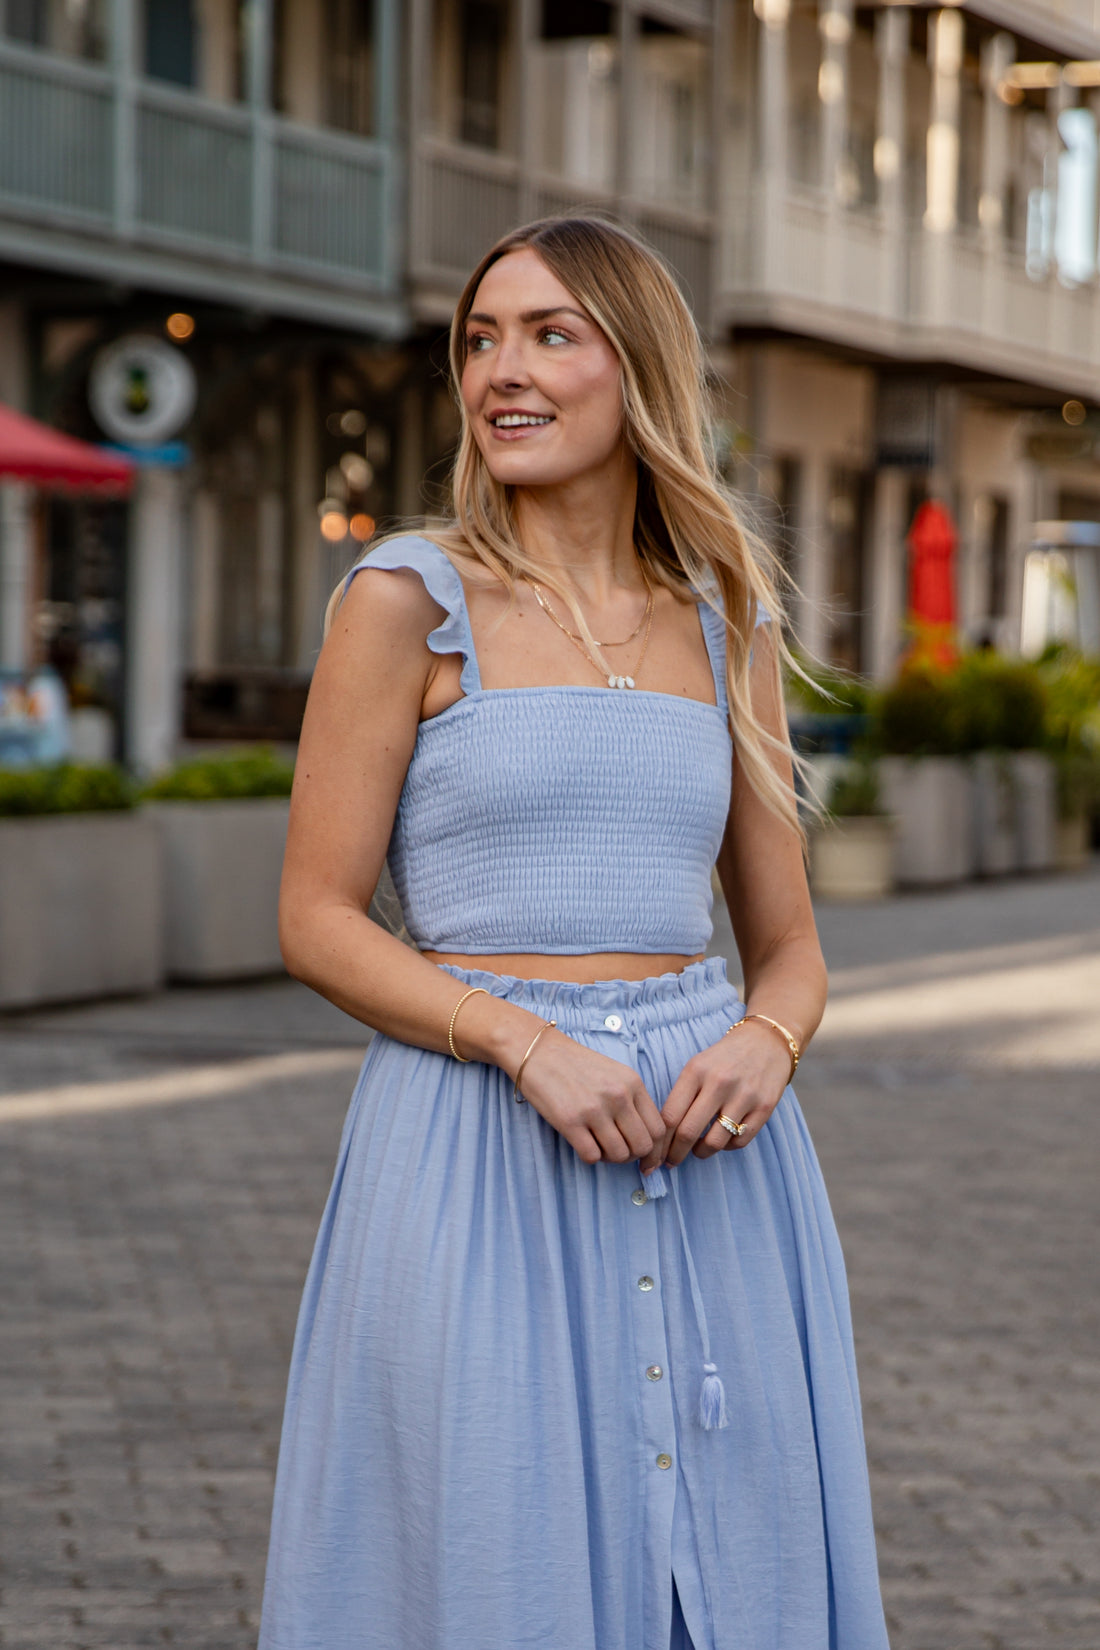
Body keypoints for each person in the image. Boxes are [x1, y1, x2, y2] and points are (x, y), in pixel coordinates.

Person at [258, 217, 890, 1650]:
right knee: (499, 1549)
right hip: (480, 1136)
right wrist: (527, 1044)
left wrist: (767, 1042)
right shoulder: (407, 599)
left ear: (640, 370)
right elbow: (312, 916)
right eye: (482, 338)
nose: (502, 370)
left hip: (715, 1159)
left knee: (727, 1557)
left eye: (551, 334)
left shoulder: (723, 616)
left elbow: (788, 942)